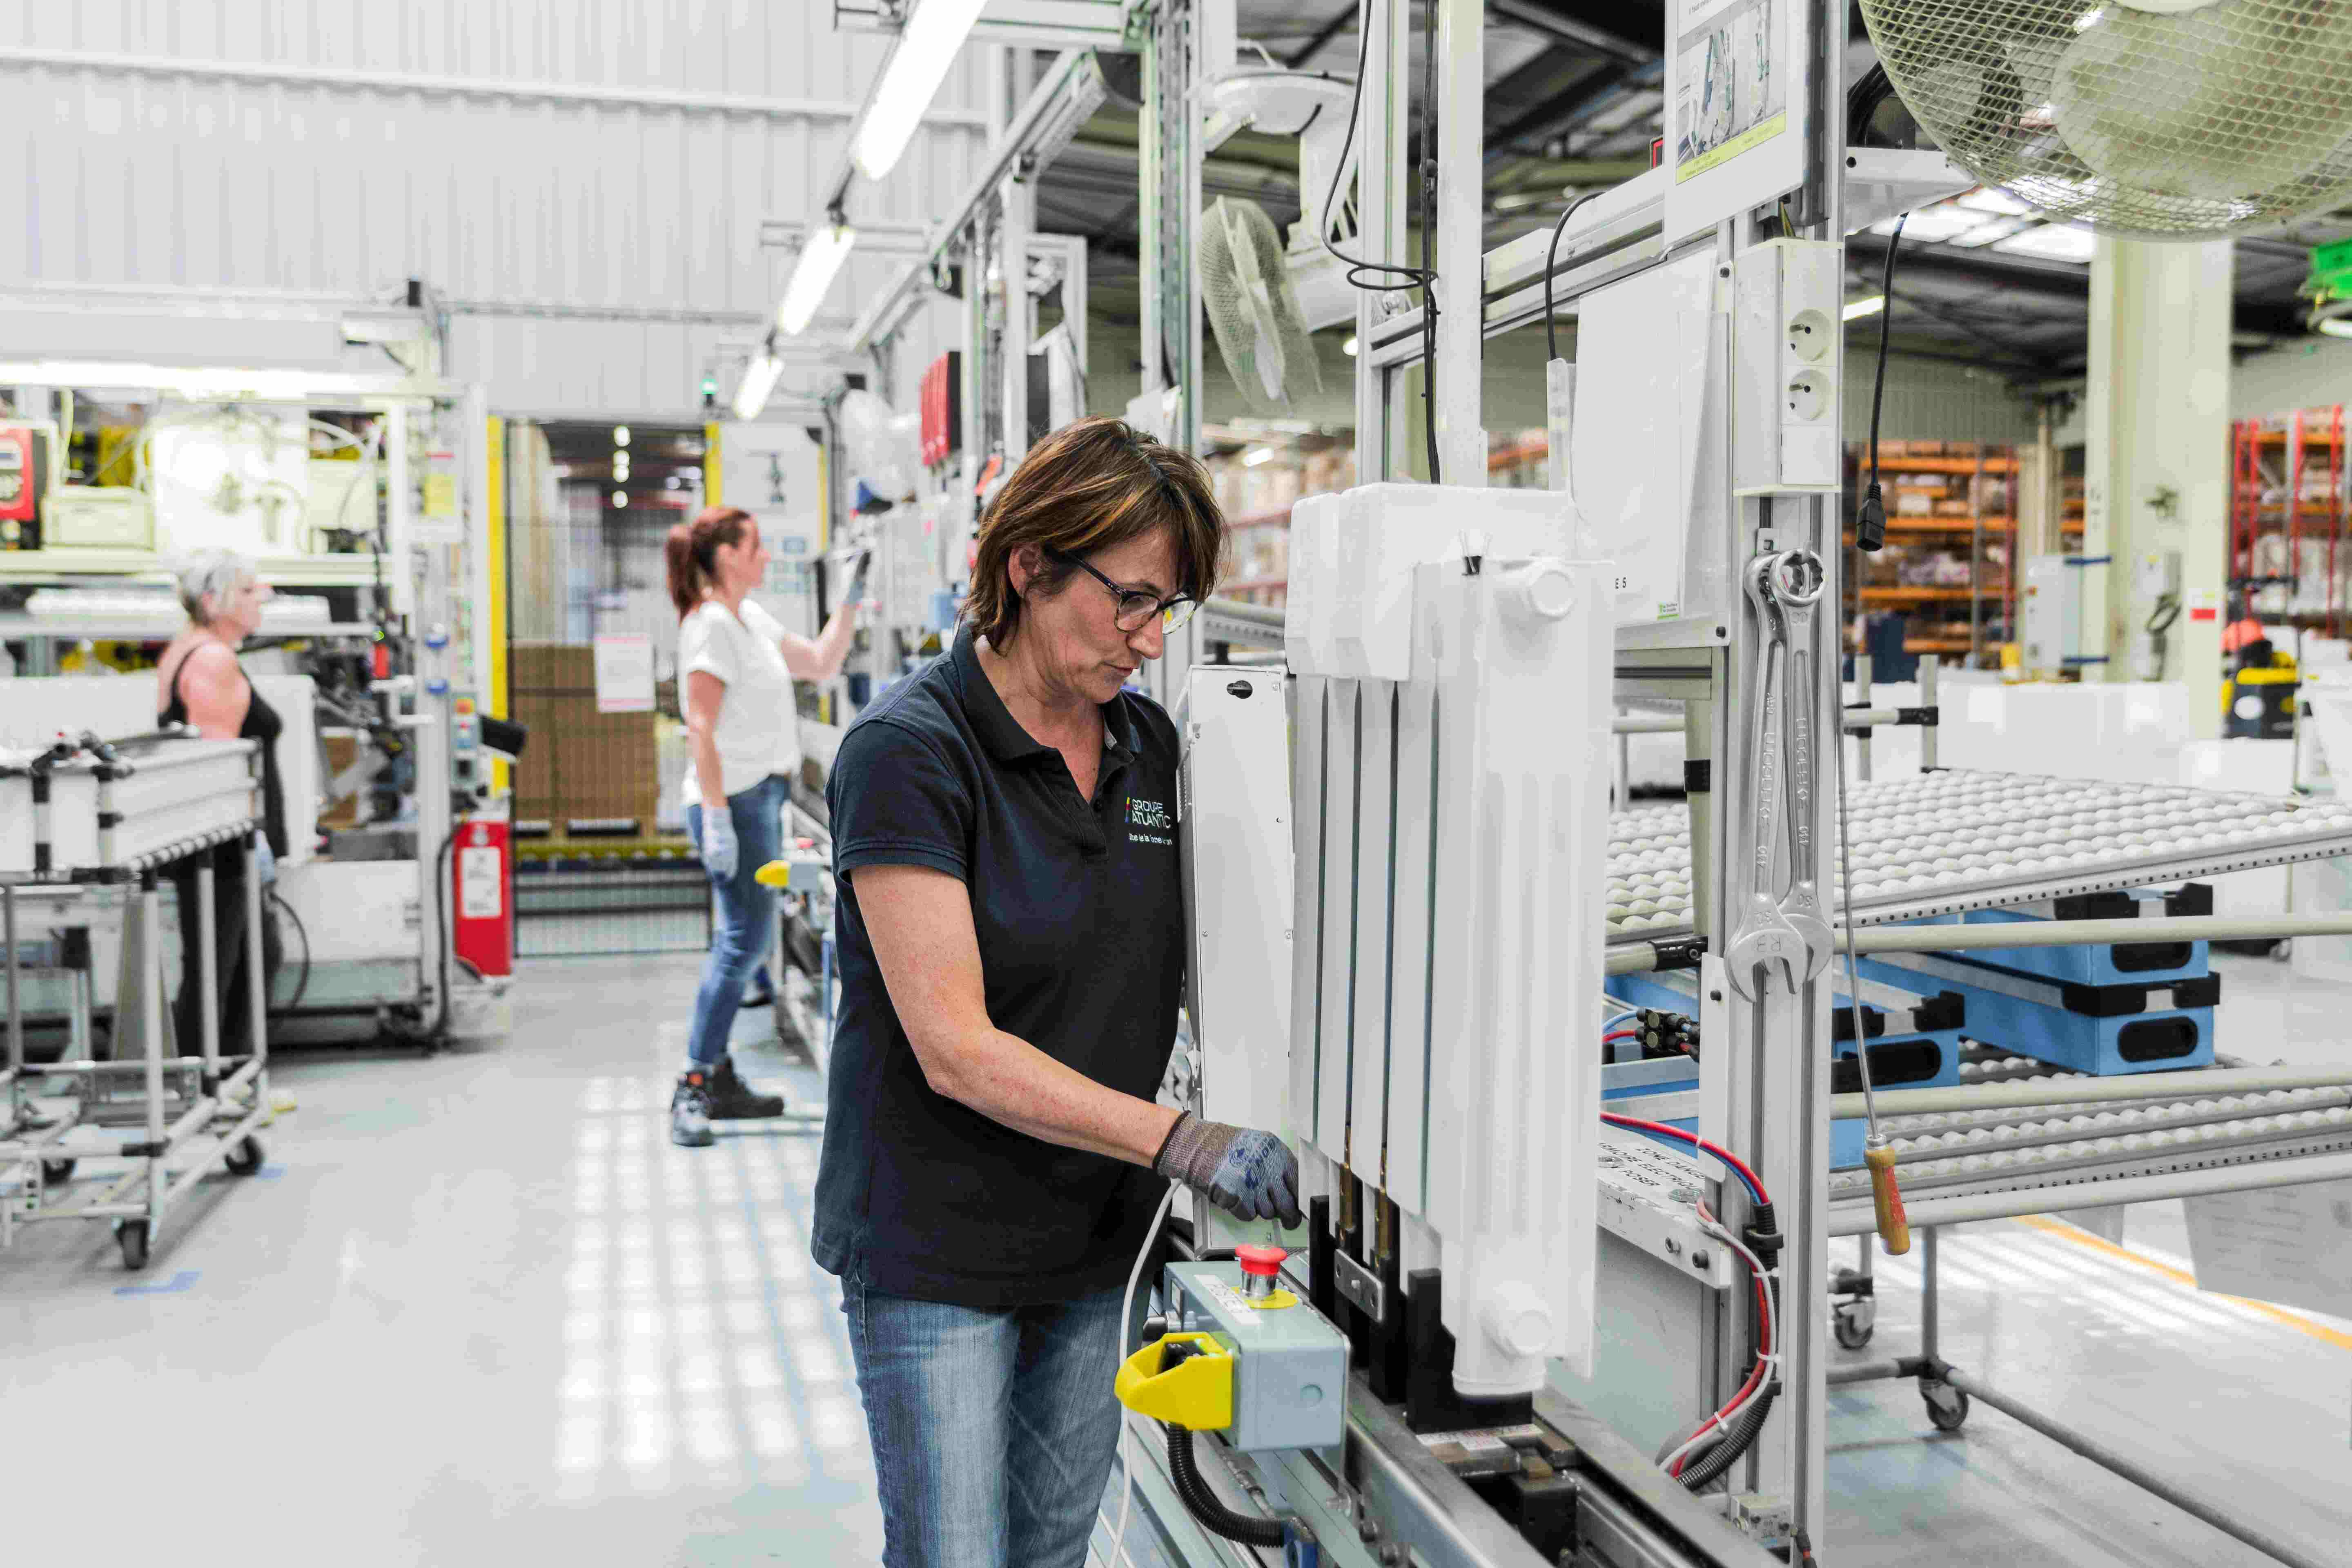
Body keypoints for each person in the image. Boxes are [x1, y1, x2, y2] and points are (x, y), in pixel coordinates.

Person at [813, 417, 1303, 1568]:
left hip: (1093, 1244)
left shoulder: (1151, 748)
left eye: (1166, 607)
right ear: (1029, 565)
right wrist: (1184, 1141)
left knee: (1052, 1552)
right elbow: (955, 1048)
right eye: (1128, 599)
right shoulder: (910, 753)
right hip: (938, 1251)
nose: (1149, 638)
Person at [666, 505, 865, 1147]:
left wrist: (850, 599)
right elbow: (699, 726)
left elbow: (820, 664)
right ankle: (693, 1085)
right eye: (755, 547)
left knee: (743, 941)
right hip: (733, 802)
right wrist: (717, 816)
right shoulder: (710, 625)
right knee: (742, 944)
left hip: (759, 799)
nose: (766, 557)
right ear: (727, 556)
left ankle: (718, 1077)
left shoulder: (749, 619)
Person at [155, 548, 287, 1062]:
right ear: (213, 601)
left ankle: (230, 1075)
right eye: (249, 591)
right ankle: (203, 1080)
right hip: (220, 838)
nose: (261, 599)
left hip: (216, 835)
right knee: (216, 966)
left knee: (255, 957)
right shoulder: (212, 659)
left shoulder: (192, 648)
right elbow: (219, 767)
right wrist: (252, 840)